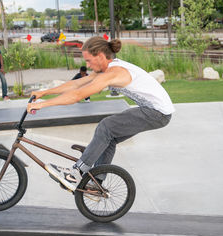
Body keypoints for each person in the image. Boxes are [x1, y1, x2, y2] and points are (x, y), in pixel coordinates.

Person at [27, 36, 174, 191]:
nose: (87, 65)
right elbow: (77, 83)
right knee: (109, 138)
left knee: (106, 126)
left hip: (157, 113)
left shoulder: (114, 73)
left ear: (101, 56)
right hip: (155, 111)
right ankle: (97, 183)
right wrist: (44, 92)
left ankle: (76, 172)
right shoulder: (107, 69)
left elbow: (78, 95)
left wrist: (43, 105)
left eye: (89, 60)